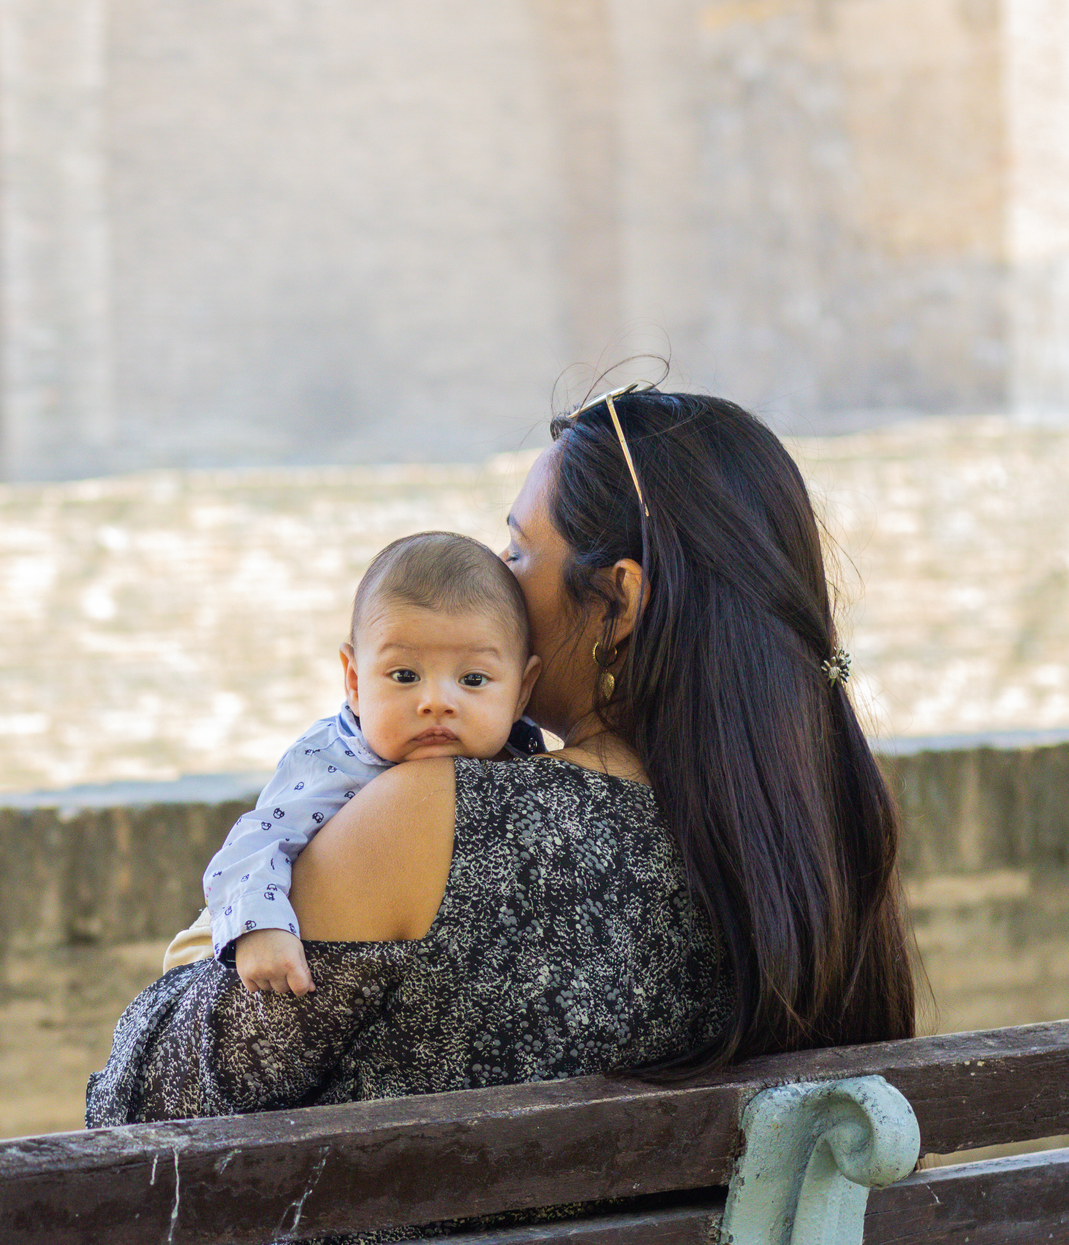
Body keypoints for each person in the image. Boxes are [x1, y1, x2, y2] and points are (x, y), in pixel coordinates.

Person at [85, 388, 917, 1176]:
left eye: (518, 550)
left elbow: (143, 1113)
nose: (496, 580)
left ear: (618, 601)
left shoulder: (431, 815)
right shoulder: (819, 836)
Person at [163, 532, 544, 994]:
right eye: (404, 676)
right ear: (355, 682)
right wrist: (261, 929)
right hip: (222, 938)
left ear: (522, 690)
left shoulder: (524, 760)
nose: (436, 702)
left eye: (473, 678)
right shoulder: (333, 756)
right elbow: (254, 842)